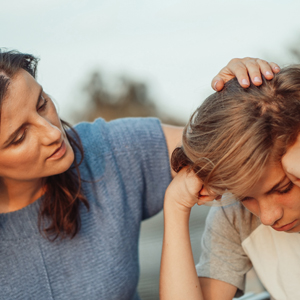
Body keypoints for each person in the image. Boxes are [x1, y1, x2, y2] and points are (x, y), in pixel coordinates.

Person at [0, 49, 278, 300]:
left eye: (41, 104)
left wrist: (247, 97)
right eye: (20, 136)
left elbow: (233, 144)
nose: (53, 132)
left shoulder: (108, 151)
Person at [160, 64, 300, 300]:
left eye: (282, 188)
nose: (267, 217)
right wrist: (175, 206)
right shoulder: (237, 217)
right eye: (245, 196)